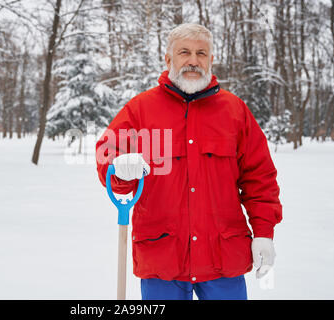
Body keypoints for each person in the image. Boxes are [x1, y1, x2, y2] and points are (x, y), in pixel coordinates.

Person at [95, 23, 282, 300]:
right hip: (162, 259)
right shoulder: (141, 110)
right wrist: (120, 168)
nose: (193, 61)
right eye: (184, 52)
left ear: (211, 60)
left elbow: (260, 177)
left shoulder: (234, 111)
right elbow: (106, 156)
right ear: (169, 58)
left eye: (201, 53)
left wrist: (264, 232)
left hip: (223, 259)